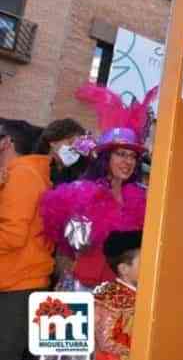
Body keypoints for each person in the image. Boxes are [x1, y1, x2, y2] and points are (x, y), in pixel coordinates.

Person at [40, 84, 154, 292]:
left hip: (122, 291)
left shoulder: (140, 196)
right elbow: (72, 247)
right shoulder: (81, 193)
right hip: (85, 289)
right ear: (106, 157)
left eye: (132, 156)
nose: (127, 162)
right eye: (120, 154)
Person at [0, 120, 53, 360]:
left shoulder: (20, 174)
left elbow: (11, 235)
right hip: (20, 279)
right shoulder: (29, 173)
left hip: (17, 284)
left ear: (6, 142)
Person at [94, 230, 142, 360]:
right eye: (143, 261)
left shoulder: (142, 294)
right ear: (124, 269)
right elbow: (105, 340)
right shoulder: (110, 296)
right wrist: (141, 348)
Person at [36, 118, 89, 185]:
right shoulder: (36, 168)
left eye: (78, 145)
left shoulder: (78, 172)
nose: (75, 149)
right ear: (53, 142)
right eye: (70, 143)